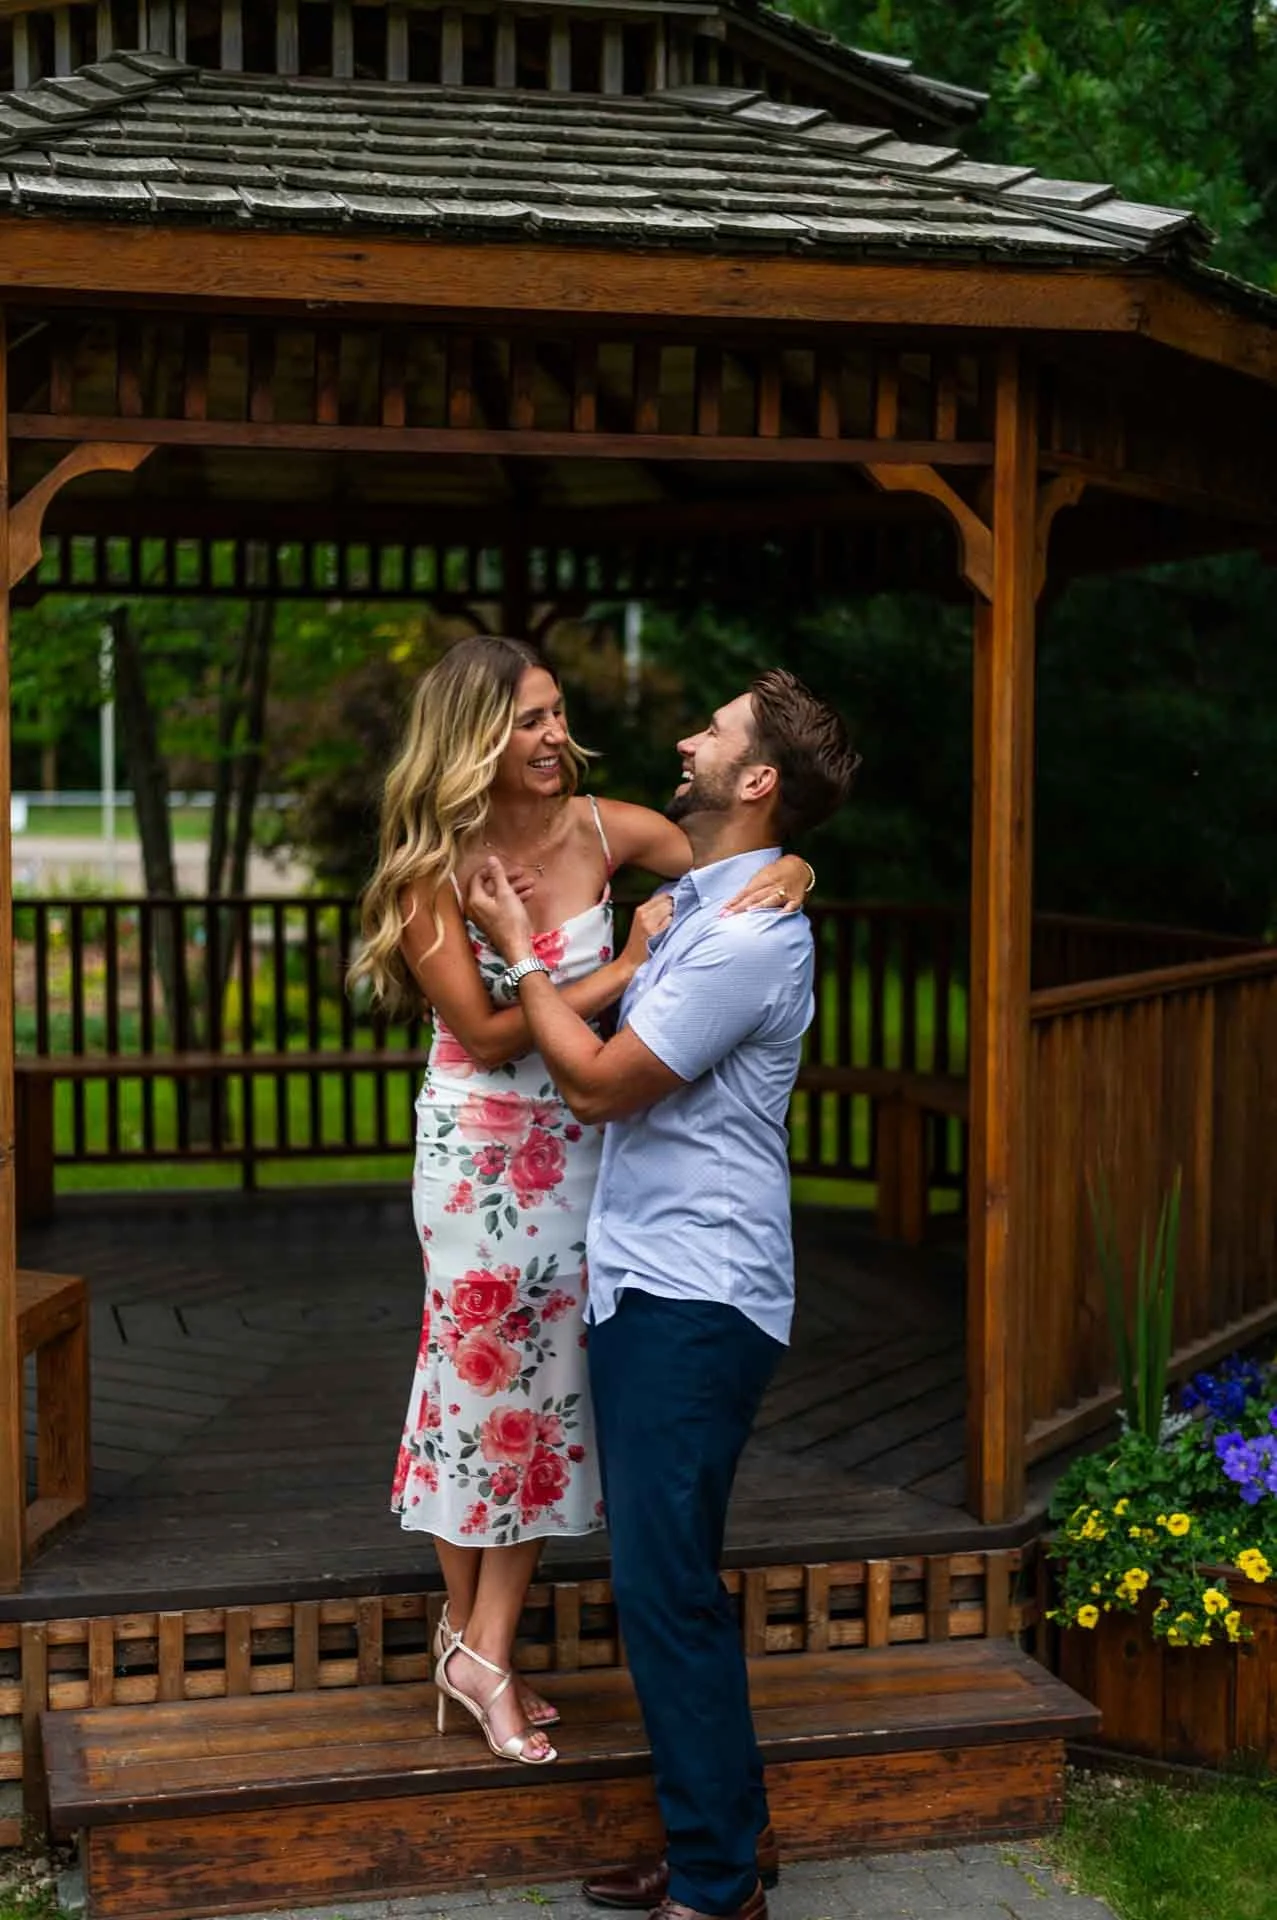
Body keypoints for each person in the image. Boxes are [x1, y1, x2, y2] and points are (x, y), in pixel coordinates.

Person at [350, 635, 811, 1768]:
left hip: (584, 1141)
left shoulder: (604, 828)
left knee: (540, 1388)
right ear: (473, 742)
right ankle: (484, 1649)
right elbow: (490, 1029)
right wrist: (625, 960)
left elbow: (733, 852)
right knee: (480, 1380)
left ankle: (470, 1642)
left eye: (556, 713)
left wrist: (798, 870)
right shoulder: (433, 868)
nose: (555, 736)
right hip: (478, 1154)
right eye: (528, 722)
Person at [467, 667, 857, 1918]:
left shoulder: (741, 941)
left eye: (714, 733)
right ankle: (718, 1842)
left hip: (697, 1296)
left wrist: (523, 960)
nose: (681, 741)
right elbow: (709, 898)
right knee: (667, 1579)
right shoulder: (720, 904)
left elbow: (589, 1082)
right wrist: (788, 863)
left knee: (663, 1586)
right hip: (657, 1281)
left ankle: (713, 1882)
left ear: (755, 782)